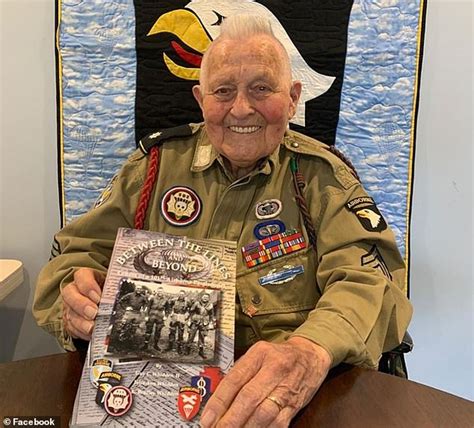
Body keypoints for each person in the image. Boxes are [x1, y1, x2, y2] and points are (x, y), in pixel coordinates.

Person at [34, 14, 412, 427]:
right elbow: (72, 259)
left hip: (287, 403)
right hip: (153, 400)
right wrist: (76, 300)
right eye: (224, 91)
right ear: (201, 99)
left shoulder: (322, 179)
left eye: (261, 88)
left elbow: (373, 285)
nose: (242, 108)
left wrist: (310, 350)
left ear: (293, 97)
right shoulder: (152, 169)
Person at [185, 292, 216, 358]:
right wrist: (189, 320)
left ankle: (201, 351)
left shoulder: (210, 305)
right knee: (191, 335)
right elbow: (191, 311)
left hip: (204, 323)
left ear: (209, 299)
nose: (205, 298)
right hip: (195, 321)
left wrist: (211, 322)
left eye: (207, 297)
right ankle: (187, 349)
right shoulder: (196, 303)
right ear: (201, 297)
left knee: (202, 337)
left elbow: (211, 314)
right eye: (204, 297)